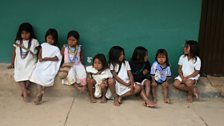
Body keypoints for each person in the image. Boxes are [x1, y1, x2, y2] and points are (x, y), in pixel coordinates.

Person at [8, 22, 40, 102]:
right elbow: (14, 52)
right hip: (19, 63)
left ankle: (24, 90)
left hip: (30, 62)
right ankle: (25, 91)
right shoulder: (18, 42)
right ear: (20, 33)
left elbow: (40, 50)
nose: (24, 35)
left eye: (26, 33)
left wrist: (40, 59)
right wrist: (12, 63)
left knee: (31, 72)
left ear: (30, 33)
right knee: (18, 74)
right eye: (22, 33)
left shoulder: (34, 41)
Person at [30, 28, 62, 105]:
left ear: (55, 39)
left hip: (50, 65)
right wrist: (40, 58)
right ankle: (40, 92)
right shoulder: (43, 45)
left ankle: (40, 93)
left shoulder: (56, 48)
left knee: (46, 75)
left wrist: (47, 58)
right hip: (42, 64)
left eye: (52, 39)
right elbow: (40, 53)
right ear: (46, 37)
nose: (50, 40)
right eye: (49, 38)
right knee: (36, 73)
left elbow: (57, 58)